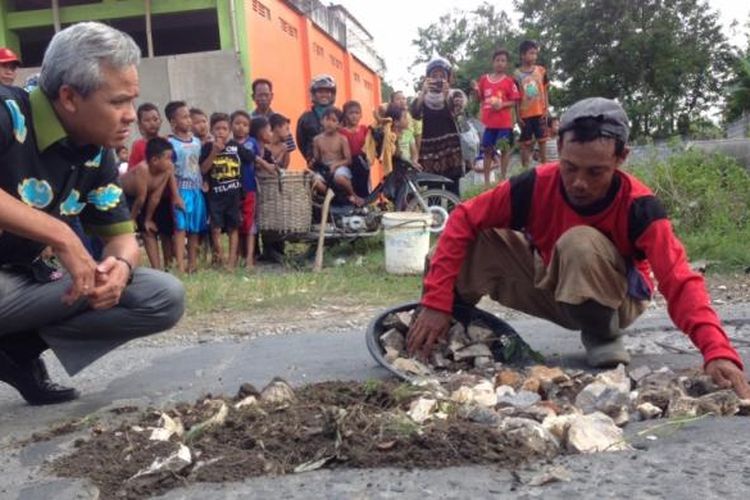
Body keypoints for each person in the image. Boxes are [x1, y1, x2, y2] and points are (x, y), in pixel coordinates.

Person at [406, 97, 750, 398]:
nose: (579, 183)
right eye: (569, 168)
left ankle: (601, 335)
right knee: (474, 236)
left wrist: (716, 350)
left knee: (579, 242)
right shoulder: (535, 185)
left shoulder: (640, 206)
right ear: (559, 147)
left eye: (595, 172)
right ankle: (449, 327)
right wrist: (436, 300)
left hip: (617, 300)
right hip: (554, 279)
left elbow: (679, 280)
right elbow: (464, 217)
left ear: (622, 158)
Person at [0, 22, 184, 406]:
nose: (130, 116)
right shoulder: (7, 112)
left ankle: (16, 351)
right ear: (68, 97)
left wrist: (120, 267)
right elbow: (61, 234)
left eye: (132, 101)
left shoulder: (95, 151)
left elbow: (120, 237)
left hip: (21, 284)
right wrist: (60, 234)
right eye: (118, 102)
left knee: (160, 295)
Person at [200, 112, 256, 270]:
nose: (221, 132)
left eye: (224, 128)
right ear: (211, 130)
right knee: (216, 228)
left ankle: (231, 263)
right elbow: (203, 169)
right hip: (215, 196)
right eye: (217, 128)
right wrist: (214, 152)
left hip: (234, 196)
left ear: (230, 130)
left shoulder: (235, 146)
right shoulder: (207, 147)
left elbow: (250, 157)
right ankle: (220, 257)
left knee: (233, 228)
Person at [128, 102, 179, 269]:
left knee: (166, 232)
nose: (153, 123)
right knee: (148, 233)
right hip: (144, 196)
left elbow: (171, 170)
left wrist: (175, 195)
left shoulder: (168, 143)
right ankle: (156, 268)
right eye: (147, 120)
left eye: (156, 119)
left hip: (163, 196)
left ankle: (169, 266)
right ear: (140, 124)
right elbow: (133, 173)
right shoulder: (138, 146)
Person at [410, 57, 464, 196]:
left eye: (442, 76)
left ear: (448, 78)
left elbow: (455, 113)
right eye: (434, 76)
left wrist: (446, 96)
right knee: (434, 190)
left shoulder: (455, 94)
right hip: (429, 150)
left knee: (453, 188)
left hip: (450, 149)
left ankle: (455, 216)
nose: (438, 79)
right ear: (428, 78)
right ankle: (436, 217)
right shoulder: (422, 97)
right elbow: (415, 114)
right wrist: (423, 92)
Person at [120, 138, 176, 269]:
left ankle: (161, 269)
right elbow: (140, 198)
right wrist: (132, 219)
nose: (171, 162)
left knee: (149, 229)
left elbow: (155, 196)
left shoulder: (168, 169)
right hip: (122, 196)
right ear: (155, 160)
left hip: (142, 199)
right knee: (126, 230)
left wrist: (148, 219)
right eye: (168, 158)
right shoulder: (142, 169)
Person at [166, 100, 207, 274]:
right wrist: (175, 195)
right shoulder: (170, 143)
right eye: (183, 117)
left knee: (195, 228)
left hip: (196, 189)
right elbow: (169, 171)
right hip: (181, 189)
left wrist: (204, 182)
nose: (188, 120)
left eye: (188, 116)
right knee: (180, 227)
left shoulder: (197, 142)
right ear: (173, 121)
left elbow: (198, 166)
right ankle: (181, 267)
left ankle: (192, 264)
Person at [474, 49, 521, 183]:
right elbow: (480, 99)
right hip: (488, 123)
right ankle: (487, 182)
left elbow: (514, 101)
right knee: (487, 150)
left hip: (504, 123)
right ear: (493, 62)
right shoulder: (484, 80)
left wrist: (502, 105)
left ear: (506, 63)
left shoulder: (509, 81)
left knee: (504, 149)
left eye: (503, 61)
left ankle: (503, 178)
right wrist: (476, 90)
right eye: (498, 60)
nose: (500, 63)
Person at [241, 115, 278, 270]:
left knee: (251, 222)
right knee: (247, 223)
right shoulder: (252, 144)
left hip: (253, 190)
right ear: (260, 132)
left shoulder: (265, 150)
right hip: (246, 188)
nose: (271, 134)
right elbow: (250, 158)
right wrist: (265, 164)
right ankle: (247, 257)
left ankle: (252, 255)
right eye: (269, 130)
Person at [313, 107, 361, 206]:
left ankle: (354, 195)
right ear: (322, 121)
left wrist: (336, 165)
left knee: (339, 177)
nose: (329, 123)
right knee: (315, 181)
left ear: (339, 124)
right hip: (325, 169)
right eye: (327, 119)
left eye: (333, 120)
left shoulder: (342, 139)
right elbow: (317, 158)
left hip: (340, 168)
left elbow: (348, 160)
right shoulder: (317, 140)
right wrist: (313, 162)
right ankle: (333, 197)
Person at [515, 40, 550, 169]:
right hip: (525, 114)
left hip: (540, 111)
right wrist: (518, 116)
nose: (534, 56)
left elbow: (545, 90)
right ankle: (525, 170)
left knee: (542, 141)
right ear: (523, 55)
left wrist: (546, 108)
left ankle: (545, 167)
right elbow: (516, 97)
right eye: (531, 53)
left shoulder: (541, 71)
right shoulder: (517, 75)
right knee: (525, 143)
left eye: (535, 53)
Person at [296, 74, 337, 166]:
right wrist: (310, 158)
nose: (324, 95)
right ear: (313, 94)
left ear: (333, 94)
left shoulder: (340, 116)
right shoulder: (305, 118)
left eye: (327, 92)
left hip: (338, 164)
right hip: (316, 165)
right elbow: (301, 143)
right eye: (320, 92)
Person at [250, 78, 297, 154]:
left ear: (271, 96)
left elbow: (290, 146)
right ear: (253, 97)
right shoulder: (248, 121)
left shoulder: (280, 121)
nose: (263, 98)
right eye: (260, 95)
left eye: (266, 95)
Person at [339, 100, 371, 198]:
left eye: (357, 113)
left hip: (363, 163)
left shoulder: (364, 129)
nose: (354, 116)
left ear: (361, 115)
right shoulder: (341, 132)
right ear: (345, 115)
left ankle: (365, 202)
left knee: (365, 185)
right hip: (349, 163)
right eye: (351, 113)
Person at [391, 90, 422, 154]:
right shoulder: (390, 115)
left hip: (411, 148)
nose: (402, 101)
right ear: (392, 102)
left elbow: (417, 135)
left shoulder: (412, 115)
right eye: (398, 99)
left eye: (404, 98)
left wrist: (418, 153)